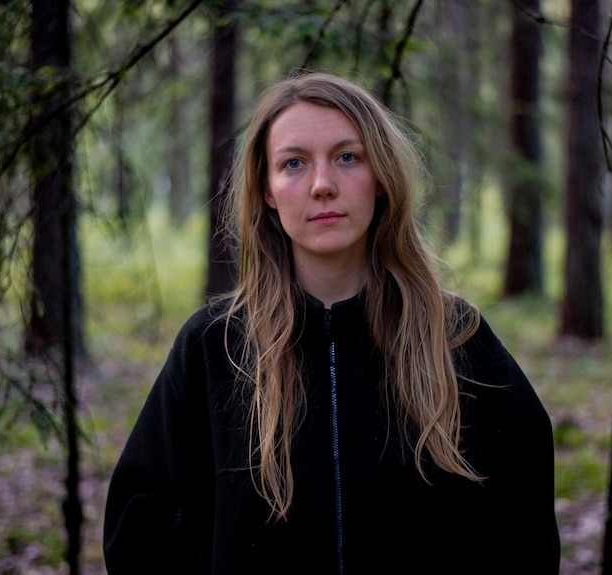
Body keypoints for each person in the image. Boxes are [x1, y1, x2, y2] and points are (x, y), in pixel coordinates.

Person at [103, 71, 560, 574]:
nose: (323, 186)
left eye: (347, 157)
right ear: (269, 191)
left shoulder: (456, 338)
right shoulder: (215, 347)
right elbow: (138, 527)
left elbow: (525, 523)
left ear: (382, 176)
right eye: (293, 163)